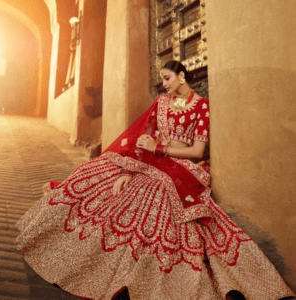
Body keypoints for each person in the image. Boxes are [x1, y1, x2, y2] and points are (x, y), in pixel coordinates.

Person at [15, 61, 294, 300]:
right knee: (93, 175)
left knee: (154, 196)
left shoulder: (201, 107)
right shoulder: (160, 104)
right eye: (161, 78)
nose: (163, 83)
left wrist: (160, 150)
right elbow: (140, 140)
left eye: (167, 78)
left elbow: (196, 151)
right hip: (150, 161)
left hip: (184, 167)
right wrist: (127, 170)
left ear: (182, 77)